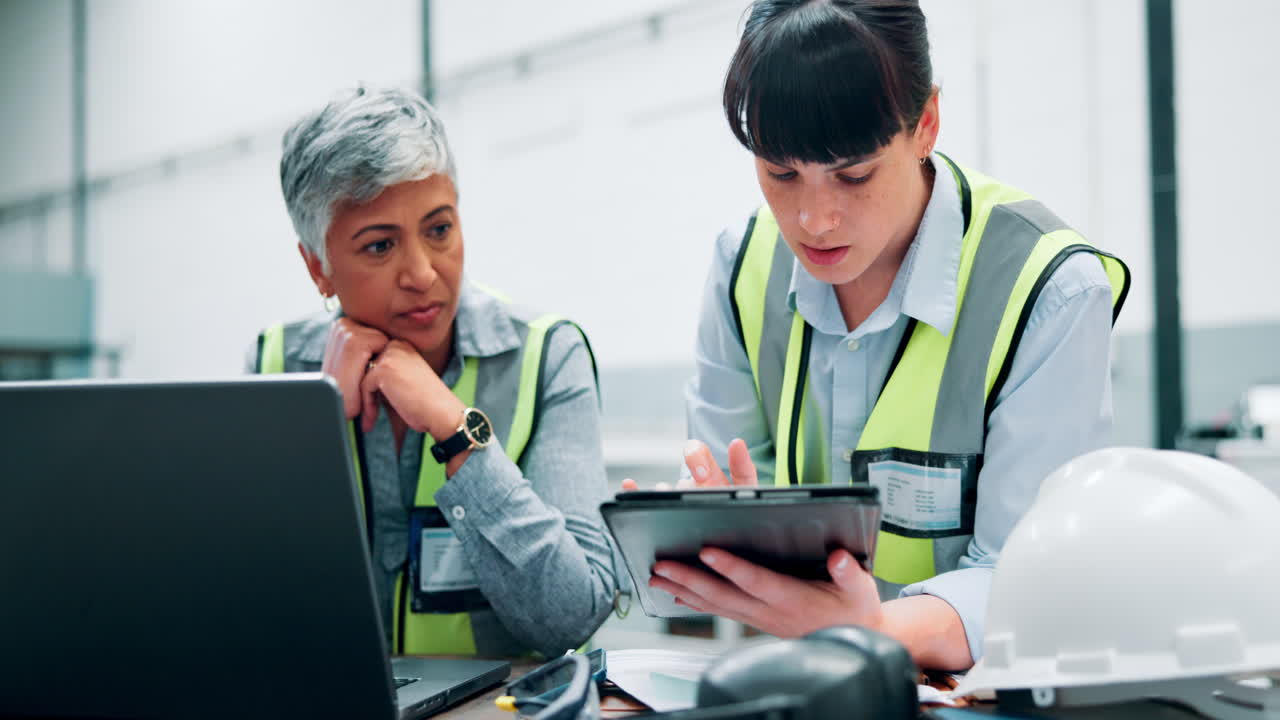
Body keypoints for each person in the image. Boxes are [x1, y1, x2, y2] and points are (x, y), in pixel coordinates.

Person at [627, 0, 1130, 671]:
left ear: (925, 125)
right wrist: (710, 533)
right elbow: (729, 487)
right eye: (781, 173)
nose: (813, 218)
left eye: (854, 174)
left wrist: (873, 627)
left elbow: (1024, 577)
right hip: (817, 686)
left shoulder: (1049, 289)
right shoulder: (740, 265)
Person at [250, 85, 618, 658]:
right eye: (379, 247)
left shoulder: (546, 355)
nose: (422, 273)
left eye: (439, 229)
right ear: (319, 267)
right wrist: (313, 431)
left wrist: (457, 432)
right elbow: (254, 612)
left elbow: (573, 615)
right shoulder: (274, 368)